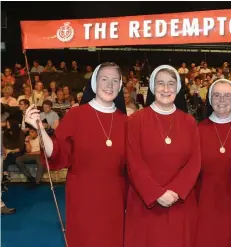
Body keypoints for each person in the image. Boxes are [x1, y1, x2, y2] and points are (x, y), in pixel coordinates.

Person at [24, 62, 127, 247]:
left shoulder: (127, 121)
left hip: (116, 199)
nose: (110, 85)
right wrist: (39, 127)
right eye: (104, 79)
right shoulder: (76, 114)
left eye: (115, 80)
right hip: (83, 197)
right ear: (94, 83)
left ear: (120, 86)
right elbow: (57, 152)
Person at [125, 65, 201, 247]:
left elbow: (195, 162)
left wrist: (176, 191)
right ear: (152, 87)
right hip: (145, 204)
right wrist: (156, 193)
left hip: (180, 203)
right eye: (160, 83)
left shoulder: (189, 121)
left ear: (177, 88)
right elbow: (133, 162)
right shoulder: (136, 120)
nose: (166, 89)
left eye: (171, 84)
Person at [195, 79, 231, 247]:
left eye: (227, 96)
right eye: (216, 95)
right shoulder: (197, 129)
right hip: (205, 201)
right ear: (210, 99)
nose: (221, 100)